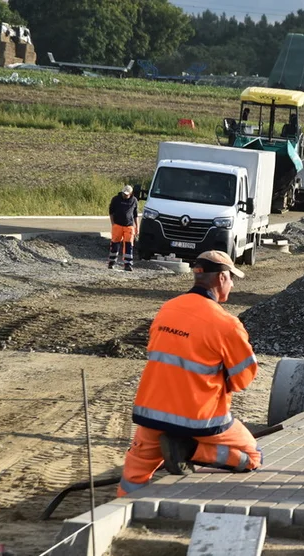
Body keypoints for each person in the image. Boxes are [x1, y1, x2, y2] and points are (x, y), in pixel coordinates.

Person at [118, 250, 262, 497]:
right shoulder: (226, 324)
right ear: (221, 278)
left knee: (135, 473)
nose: (233, 284)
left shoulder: (168, 309)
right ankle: (188, 450)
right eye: (232, 278)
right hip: (200, 420)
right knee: (252, 457)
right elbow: (244, 377)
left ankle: (120, 508)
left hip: (152, 415)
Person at [108, 185, 139, 271]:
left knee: (129, 245)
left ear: (131, 193)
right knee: (115, 243)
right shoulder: (116, 199)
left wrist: (137, 227)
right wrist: (113, 223)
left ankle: (128, 264)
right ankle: (112, 262)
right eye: (123, 194)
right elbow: (111, 212)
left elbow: (135, 215)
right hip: (117, 225)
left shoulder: (134, 201)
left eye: (126, 194)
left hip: (129, 226)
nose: (124, 195)